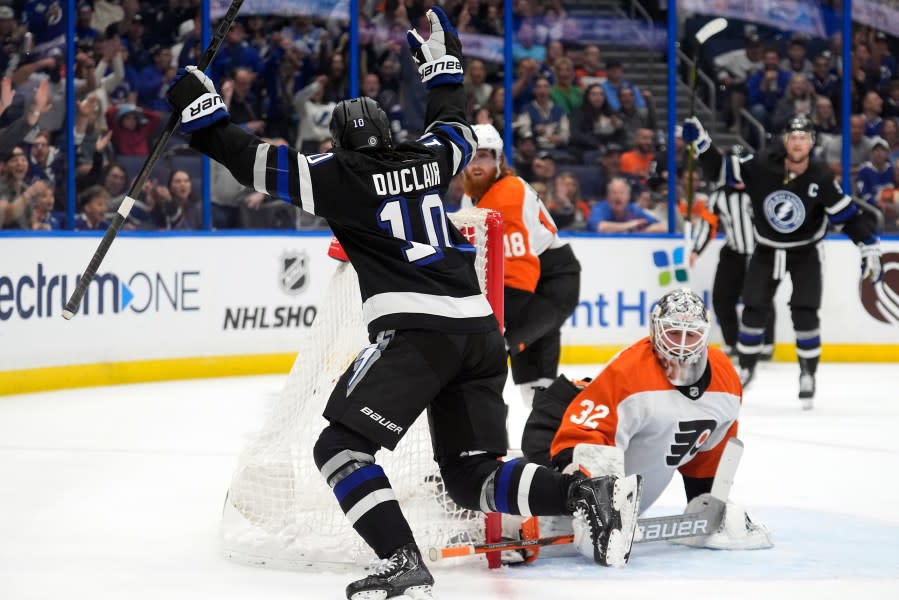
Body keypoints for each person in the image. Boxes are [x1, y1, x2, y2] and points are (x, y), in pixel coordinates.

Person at [166, 8, 642, 599]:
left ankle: (403, 561)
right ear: (388, 137)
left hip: (418, 336)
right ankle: (583, 494)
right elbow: (456, 124)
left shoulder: (336, 175)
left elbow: (255, 161)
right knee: (471, 475)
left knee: (338, 446)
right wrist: (443, 66)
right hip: (481, 332)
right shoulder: (429, 159)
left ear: (338, 144)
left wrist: (201, 114)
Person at [520, 289, 770, 549]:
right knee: (557, 513)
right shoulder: (630, 372)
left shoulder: (725, 379)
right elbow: (581, 433)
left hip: (611, 439)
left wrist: (705, 505)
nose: (682, 344)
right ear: (655, 331)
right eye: (673, 332)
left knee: (617, 501)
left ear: (705, 335)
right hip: (558, 422)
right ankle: (511, 500)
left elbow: (710, 448)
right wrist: (593, 501)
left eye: (691, 334)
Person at [683, 115, 883, 408]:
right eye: (793, 137)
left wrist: (868, 246)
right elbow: (719, 170)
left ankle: (807, 374)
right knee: (752, 308)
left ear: (811, 142)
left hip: (806, 252)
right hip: (766, 249)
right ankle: (747, 368)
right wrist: (701, 142)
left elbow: (848, 216)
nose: (798, 142)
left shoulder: (822, 177)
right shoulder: (762, 165)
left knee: (805, 312)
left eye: (804, 137)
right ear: (786, 141)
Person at [461, 123, 582, 409]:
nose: (477, 165)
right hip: (532, 280)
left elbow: (519, 270)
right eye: (472, 157)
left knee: (493, 347)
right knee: (533, 381)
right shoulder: (473, 194)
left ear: (499, 160)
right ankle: (547, 437)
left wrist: (494, 319)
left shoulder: (507, 195)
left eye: (485, 156)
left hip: (550, 283)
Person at [690, 149, 776, 358]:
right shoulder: (719, 196)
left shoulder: (762, 191)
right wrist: (696, 250)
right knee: (721, 299)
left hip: (760, 253)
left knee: (761, 299)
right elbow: (708, 224)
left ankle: (766, 343)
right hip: (733, 253)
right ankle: (733, 341)